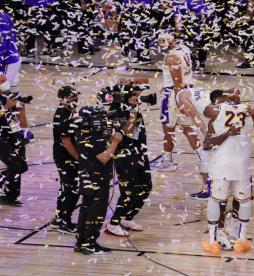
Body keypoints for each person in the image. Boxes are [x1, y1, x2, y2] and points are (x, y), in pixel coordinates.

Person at [202, 89, 254, 254]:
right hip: (242, 166)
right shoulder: (246, 112)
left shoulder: (218, 113)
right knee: (244, 200)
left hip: (221, 166)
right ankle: (241, 239)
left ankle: (213, 240)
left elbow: (206, 143)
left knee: (217, 201)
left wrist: (228, 132)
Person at [153, 31, 210, 199]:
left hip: (174, 96)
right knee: (187, 128)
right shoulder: (184, 49)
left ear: (169, 41)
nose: (159, 44)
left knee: (167, 128)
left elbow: (177, 83)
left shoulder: (171, 58)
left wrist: (179, 101)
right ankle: (203, 156)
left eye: (162, 41)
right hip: (186, 91)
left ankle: (167, 160)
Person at [104, 81, 154, 237]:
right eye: (133, 96)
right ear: (125, 96)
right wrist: (133, 109)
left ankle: (127, 217)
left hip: (139, 153)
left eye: (137, 95)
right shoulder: (116, 110)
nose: (137, 98)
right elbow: (129, 130)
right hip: (124, 155)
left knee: (146, 186)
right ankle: (113, 223)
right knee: (129, 191)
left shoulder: (132, 107)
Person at [74, 106, 123, 255]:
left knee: (85, 210)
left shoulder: (81, 132)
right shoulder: (93, 137)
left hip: (86, 177)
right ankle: (89, 244)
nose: (103, 121)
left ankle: (81, 242)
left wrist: (107, 138)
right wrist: (115, 142)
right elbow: (103, 157)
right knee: (96, 211)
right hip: (97, 179)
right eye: (100, 118)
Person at [50, 86, 81, 234]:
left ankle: (59, 218)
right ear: (63, 99)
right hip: (65, 156)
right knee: (72, 189)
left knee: (66, 187)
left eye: (76, 98)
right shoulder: (62, 115)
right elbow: (67, 142)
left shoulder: (69, 112)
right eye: (72, 98)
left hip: (65, 154)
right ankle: (65, 222)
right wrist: (79, 159)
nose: (75, 100)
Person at [0, 74, 29, 206]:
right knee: (15, 165)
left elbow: (21, 122)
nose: (5, 83)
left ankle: (2, 180)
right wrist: (5, 107)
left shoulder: (6, 97)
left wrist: (21, 108)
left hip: (12, 134)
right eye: (2, 81)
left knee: (22, 166)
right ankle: (10, 196)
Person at [0, 7, 21, 93]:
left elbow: (1, 45)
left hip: (7, 61)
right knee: (11, 92)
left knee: (4, 94)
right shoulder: (3, 13)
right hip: (13, 57)